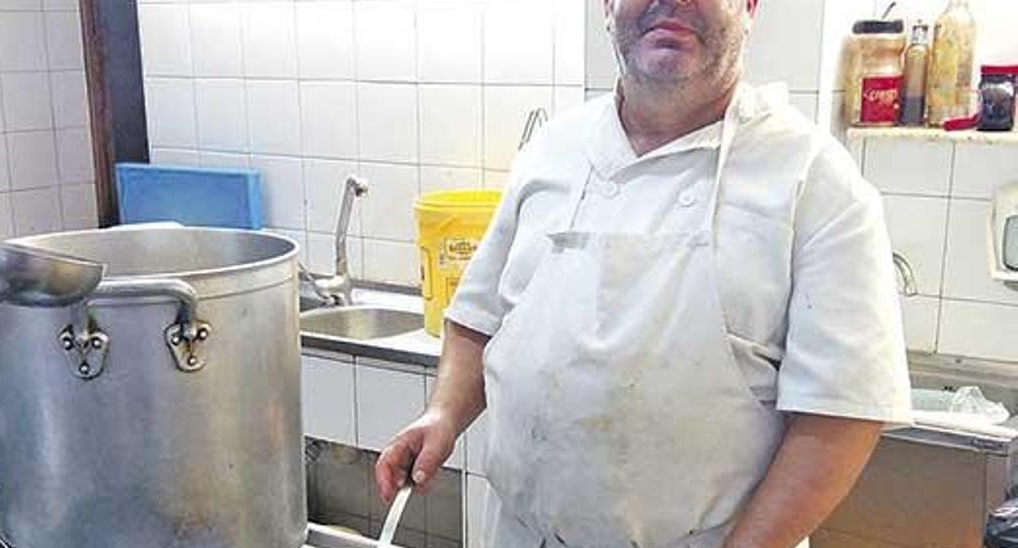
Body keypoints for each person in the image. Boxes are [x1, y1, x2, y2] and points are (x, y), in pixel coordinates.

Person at [373, 0, 914, 546]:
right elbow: (477, 318)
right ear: (607, 6)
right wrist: (443, 415)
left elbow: (841, 416)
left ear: (750, 6)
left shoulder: (815, 181)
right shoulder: (553, 149)